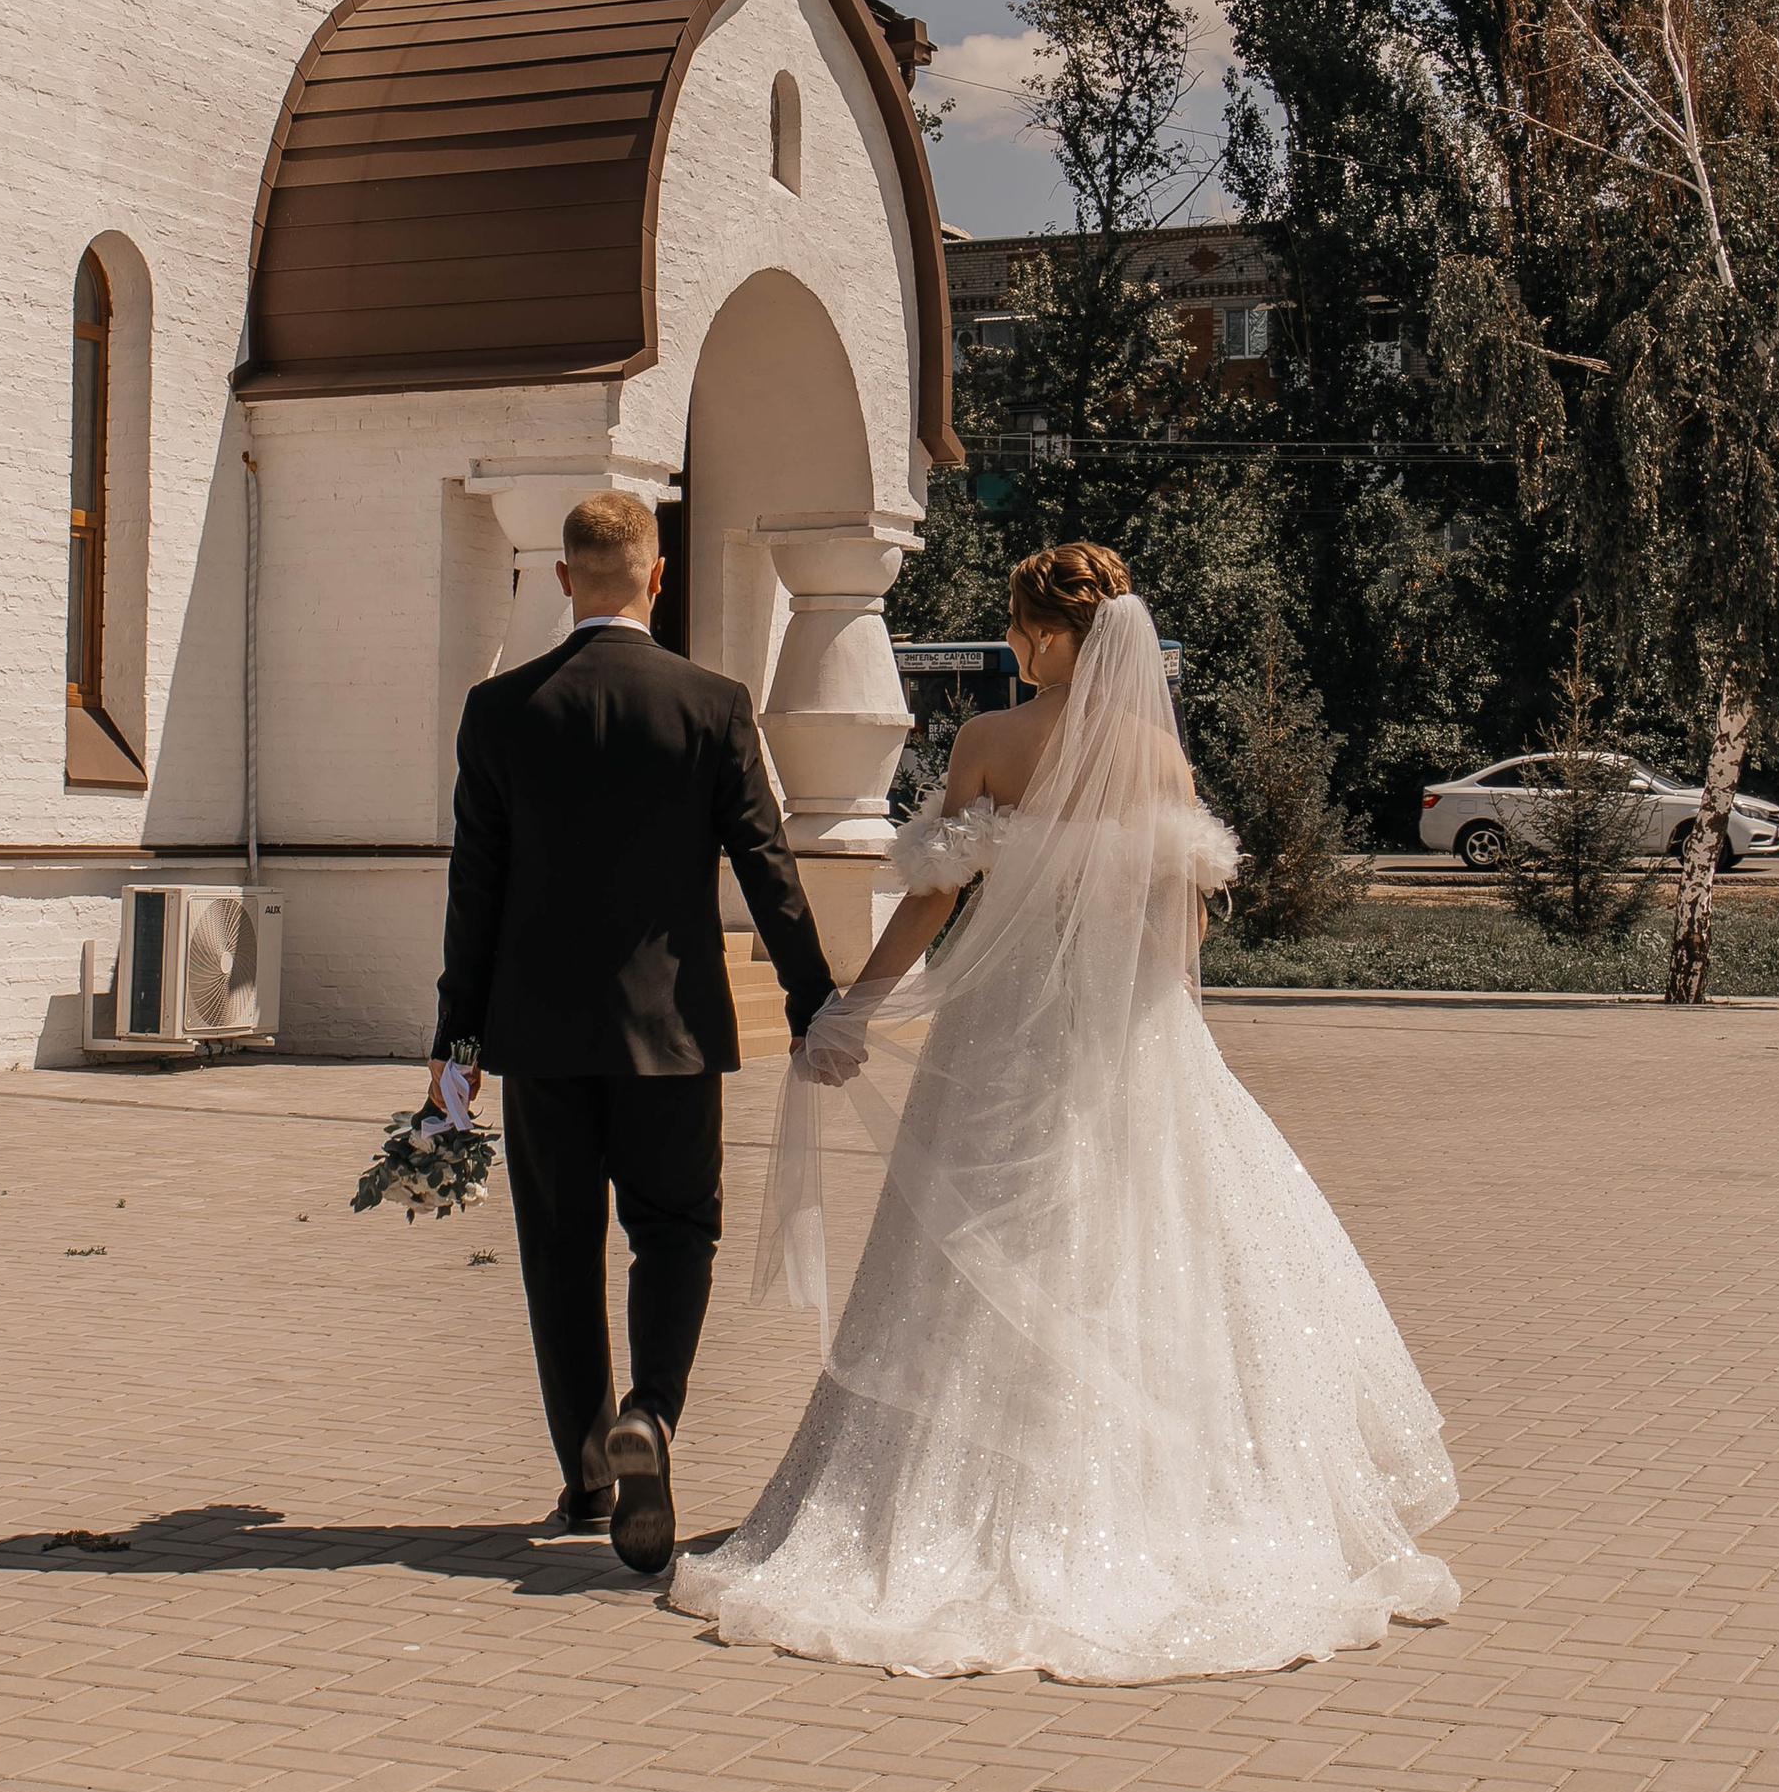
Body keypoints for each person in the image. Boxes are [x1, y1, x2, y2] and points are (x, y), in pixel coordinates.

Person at [671, 542, 1460, 1681]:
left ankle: (945, 1504)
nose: (1010, 641)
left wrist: (854, 1006)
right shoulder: (1157, 762)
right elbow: (1178, 938)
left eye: (1014, 625)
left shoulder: (993, 742)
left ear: (1043, 634)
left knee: (975, 1254)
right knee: (1142, 1254)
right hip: (1126, 1041)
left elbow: (933, 900)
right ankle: (1155, 1504)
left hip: (999, 1041)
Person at [432, 489, 836, 1577]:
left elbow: (475, 892)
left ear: (565, 580)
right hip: (673, 1038)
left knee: (558, 1253)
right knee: (673, 1233)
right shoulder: (711, 705)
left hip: (540, 1038)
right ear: (656, 577)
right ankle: (651, 1413)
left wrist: (455, 1057)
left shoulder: (501, 712)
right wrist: (811, 1000)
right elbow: (768, 864)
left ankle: (586, 1471)